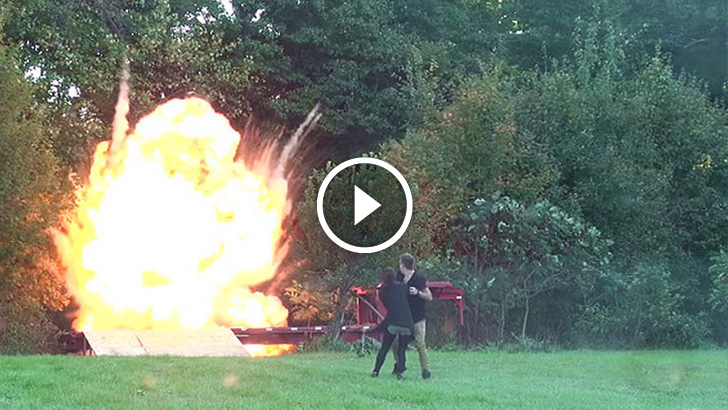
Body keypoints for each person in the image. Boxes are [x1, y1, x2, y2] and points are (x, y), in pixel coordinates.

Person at [371, 267, 414, 379]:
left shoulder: (382, 292)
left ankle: (376, 371)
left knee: (384, 348)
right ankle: (400, 372)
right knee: (401, 350)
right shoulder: (403, 287)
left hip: (392, 323)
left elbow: (387, 306)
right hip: (406, 323)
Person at [397, 253, 433, 379]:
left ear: (403, 265)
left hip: (418, 316)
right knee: (399, 343)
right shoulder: (399, 278)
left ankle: (426, 370)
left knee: (420, 343)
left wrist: (418, 293)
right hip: (404, 317)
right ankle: (400, 369)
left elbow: (429, 296)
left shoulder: (418, 279)